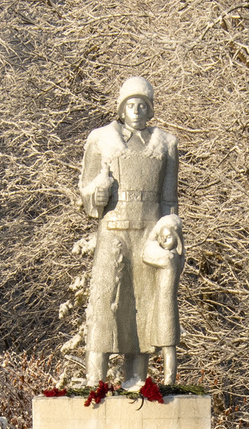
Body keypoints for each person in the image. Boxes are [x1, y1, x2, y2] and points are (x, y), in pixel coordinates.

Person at [77, 75, 181, 389]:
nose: (136, 110)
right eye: (131, 104)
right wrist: (97, 193)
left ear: (150, 109)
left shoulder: (166, 143)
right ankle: (95, 379)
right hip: (114, 230)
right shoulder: (101, 138)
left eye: (143, 105)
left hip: (149, 233)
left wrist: (170, 230)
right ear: (122, 108)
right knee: (106, 301)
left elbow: (169, 200)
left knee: (144, 306)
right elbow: (85, 191)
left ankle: (136, 377)